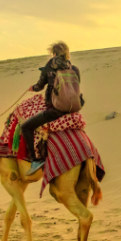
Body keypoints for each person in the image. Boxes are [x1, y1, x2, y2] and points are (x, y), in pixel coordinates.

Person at [21, 41, 84, 175]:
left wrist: (33, 88)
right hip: (75, 107)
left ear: (54, 54)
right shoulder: (75, 69)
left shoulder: (49, 67)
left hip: (56, 110)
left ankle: (36, 160)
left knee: (26, 127)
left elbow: (39, 86)